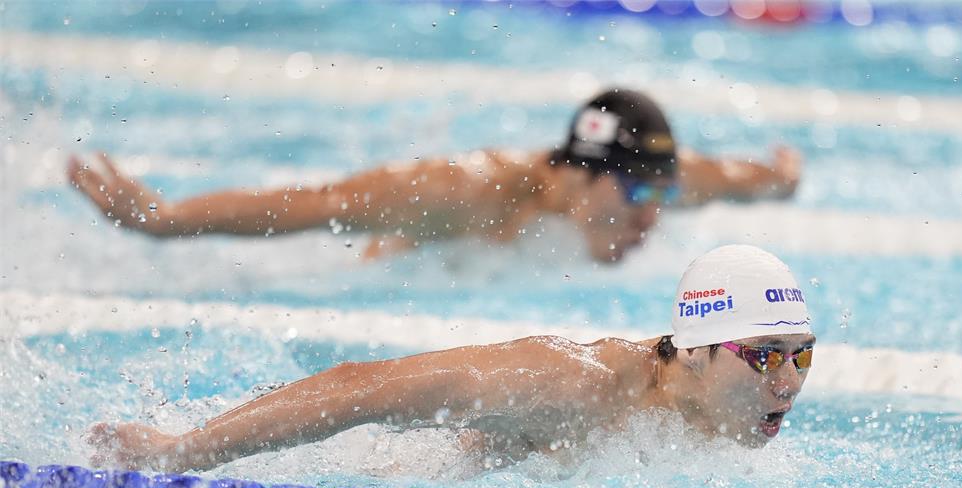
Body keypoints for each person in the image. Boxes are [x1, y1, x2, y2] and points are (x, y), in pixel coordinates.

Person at [88, 244, 815, 473]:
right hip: (361, 470)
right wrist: (180, 452)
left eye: (801, 357)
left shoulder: (715, 419)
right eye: (763, 357)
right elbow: (362, 387)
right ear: (690, 350)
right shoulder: (572, 386)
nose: (787, 383)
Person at [68, 89, 802, 263]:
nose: (654, 218)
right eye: (639, 195)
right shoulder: (469, 190)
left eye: (663, 195)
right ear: (580, 176)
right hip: (404, 268)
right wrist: (165, 221)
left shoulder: (670, 183)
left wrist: (782, 177)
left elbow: (748, 179)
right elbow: (312, 204)